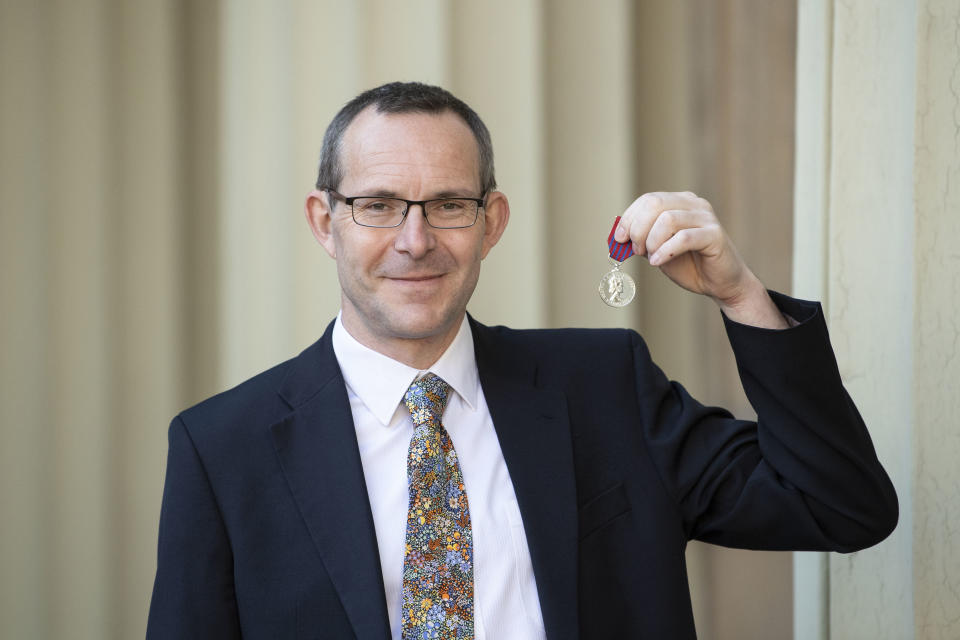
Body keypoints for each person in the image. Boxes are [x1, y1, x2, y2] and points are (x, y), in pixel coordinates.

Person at [147, 82, 897, 639]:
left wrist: (740, 295)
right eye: (377, 205)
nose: (415, 240)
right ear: (325, 221)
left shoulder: (605, 389)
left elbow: (841, 504)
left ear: (491, 221)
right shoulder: (222, 449)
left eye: (448, 204)